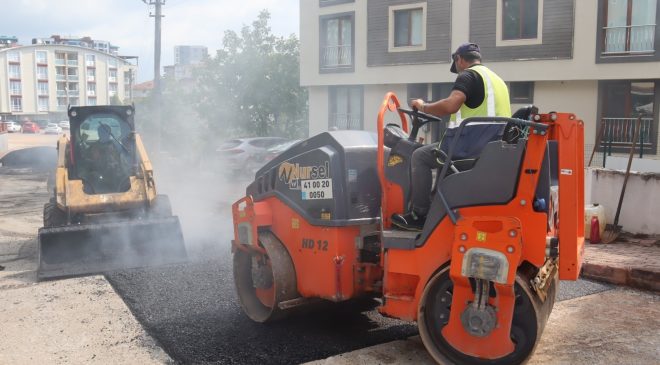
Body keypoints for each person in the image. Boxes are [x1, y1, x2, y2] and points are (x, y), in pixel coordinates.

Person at [391, 42, 512, 231]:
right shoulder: (498, 81)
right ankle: (437, 213)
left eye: (456, 65)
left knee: (420, 156)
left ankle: (419, 215)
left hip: (469, 147)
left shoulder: (469, 75)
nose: (457, 70)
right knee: (439, 155)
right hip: (491, 149)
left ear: (459, 60)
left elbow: (451, 105)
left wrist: (423, 106)